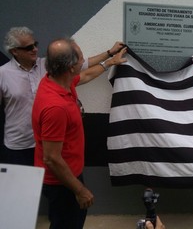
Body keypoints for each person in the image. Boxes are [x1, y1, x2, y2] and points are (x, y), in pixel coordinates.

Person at [32, 38, 127, 229]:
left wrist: (109, 61)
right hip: (61, 182)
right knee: (68, 223)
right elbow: (51, 158)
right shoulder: (55, 107)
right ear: (70, 67)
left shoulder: (58, 81)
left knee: (65, 221)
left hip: (69, 173)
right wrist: (80, 190)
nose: (84, 61)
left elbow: (85, 75)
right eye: (81, 59)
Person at [0, 26, 124, 165]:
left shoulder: (45, 64)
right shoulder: (2, 74)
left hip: (48, 142)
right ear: (14, 51)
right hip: (19, 147)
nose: (35, 49)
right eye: (29, 47)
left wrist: (109, 54)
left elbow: (82, 66)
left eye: (35, 44)